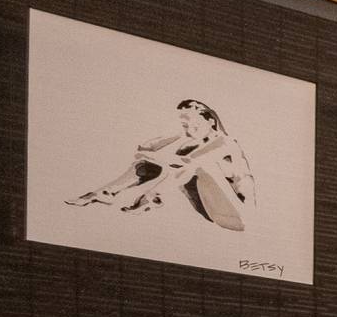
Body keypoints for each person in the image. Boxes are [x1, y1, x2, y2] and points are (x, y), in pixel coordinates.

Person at [66, 98, 255, 231]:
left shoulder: (226, 143)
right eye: (185, 125)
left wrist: (152, 154)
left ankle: (151, 198)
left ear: (211, 122)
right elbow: (146, 146)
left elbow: (187, 162)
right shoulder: (189, 142)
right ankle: (106, 192)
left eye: (194, 124)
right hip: (212, 209)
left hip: (239, 214)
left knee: (191, 165)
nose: (189, 130)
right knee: (154, 164)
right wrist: (176, 136)